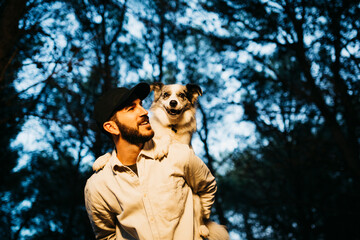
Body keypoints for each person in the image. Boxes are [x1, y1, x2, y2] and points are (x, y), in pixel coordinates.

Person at [84, 82, 217, 240]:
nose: (145, 111)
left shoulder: (179, 154)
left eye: (140, 105)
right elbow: (106, 236)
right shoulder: (98, 186)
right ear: (111, 127)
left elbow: (208, 186)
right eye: (131, 108)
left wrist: (200, 221)